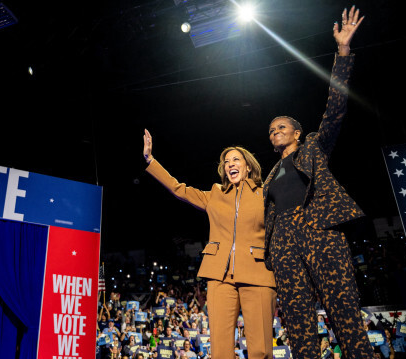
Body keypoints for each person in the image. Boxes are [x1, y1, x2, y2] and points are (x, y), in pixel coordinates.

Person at [262, 6, 373, 359]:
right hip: (283, 242)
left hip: (320, 230)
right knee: (296, 319)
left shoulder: (314, 147)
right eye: (270, 130)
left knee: (344, 311)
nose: (274, 132)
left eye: (281, 127)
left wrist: (342, 53)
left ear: (296, 132)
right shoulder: (269, 176)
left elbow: (336, 108)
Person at [143, 129, 277, 358]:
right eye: (226, 162)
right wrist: (150, 160)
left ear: (248, 167)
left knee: (261, 349)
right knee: (221, 349)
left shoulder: (266, 194)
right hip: (219, 276)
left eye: (236, 159)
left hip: (258, 272)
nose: (230, 164)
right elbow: (179, 189)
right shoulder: (215, 193)